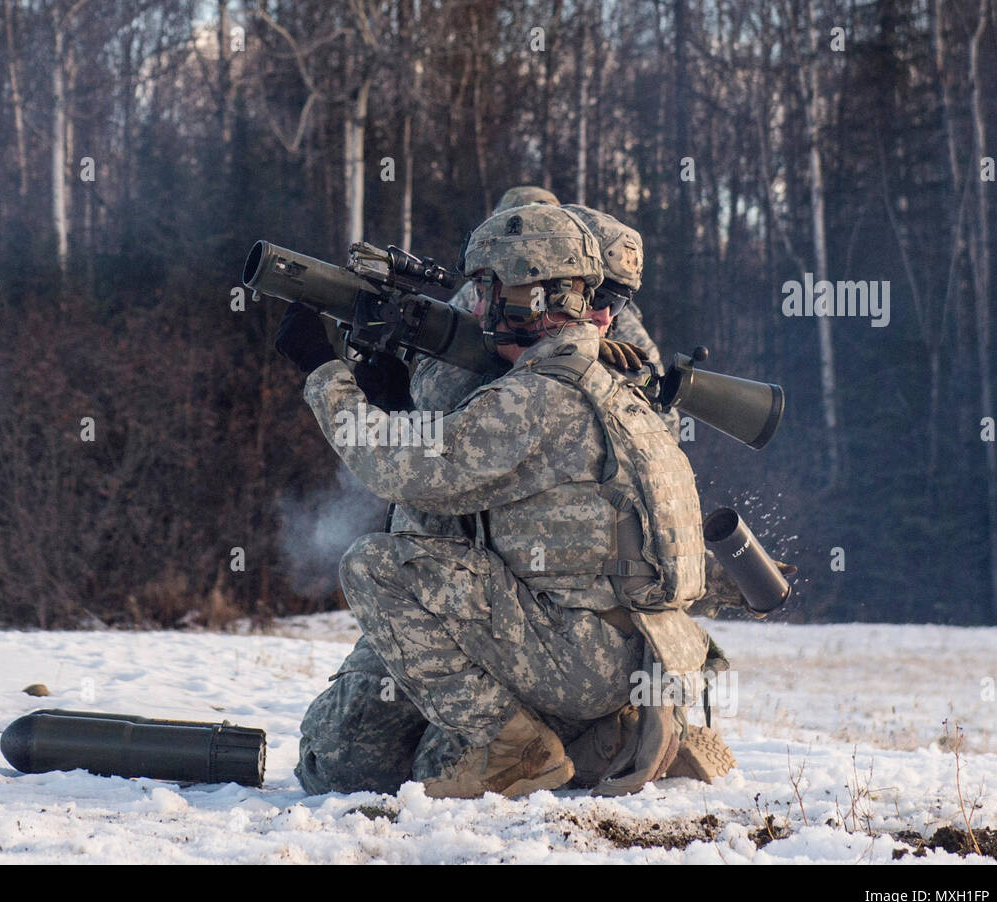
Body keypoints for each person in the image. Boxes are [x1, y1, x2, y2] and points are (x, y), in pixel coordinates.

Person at [278, 204, 715, 798]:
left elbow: (398, 468)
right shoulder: (610, 382)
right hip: (633, 656)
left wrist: (323, 371)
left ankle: (521, 752)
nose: (475, 306)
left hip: (573, 658)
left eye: (485, 289)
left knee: (375, 565)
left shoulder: (539, 395)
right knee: (431, 760)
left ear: (529, 298)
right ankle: (608, 739)